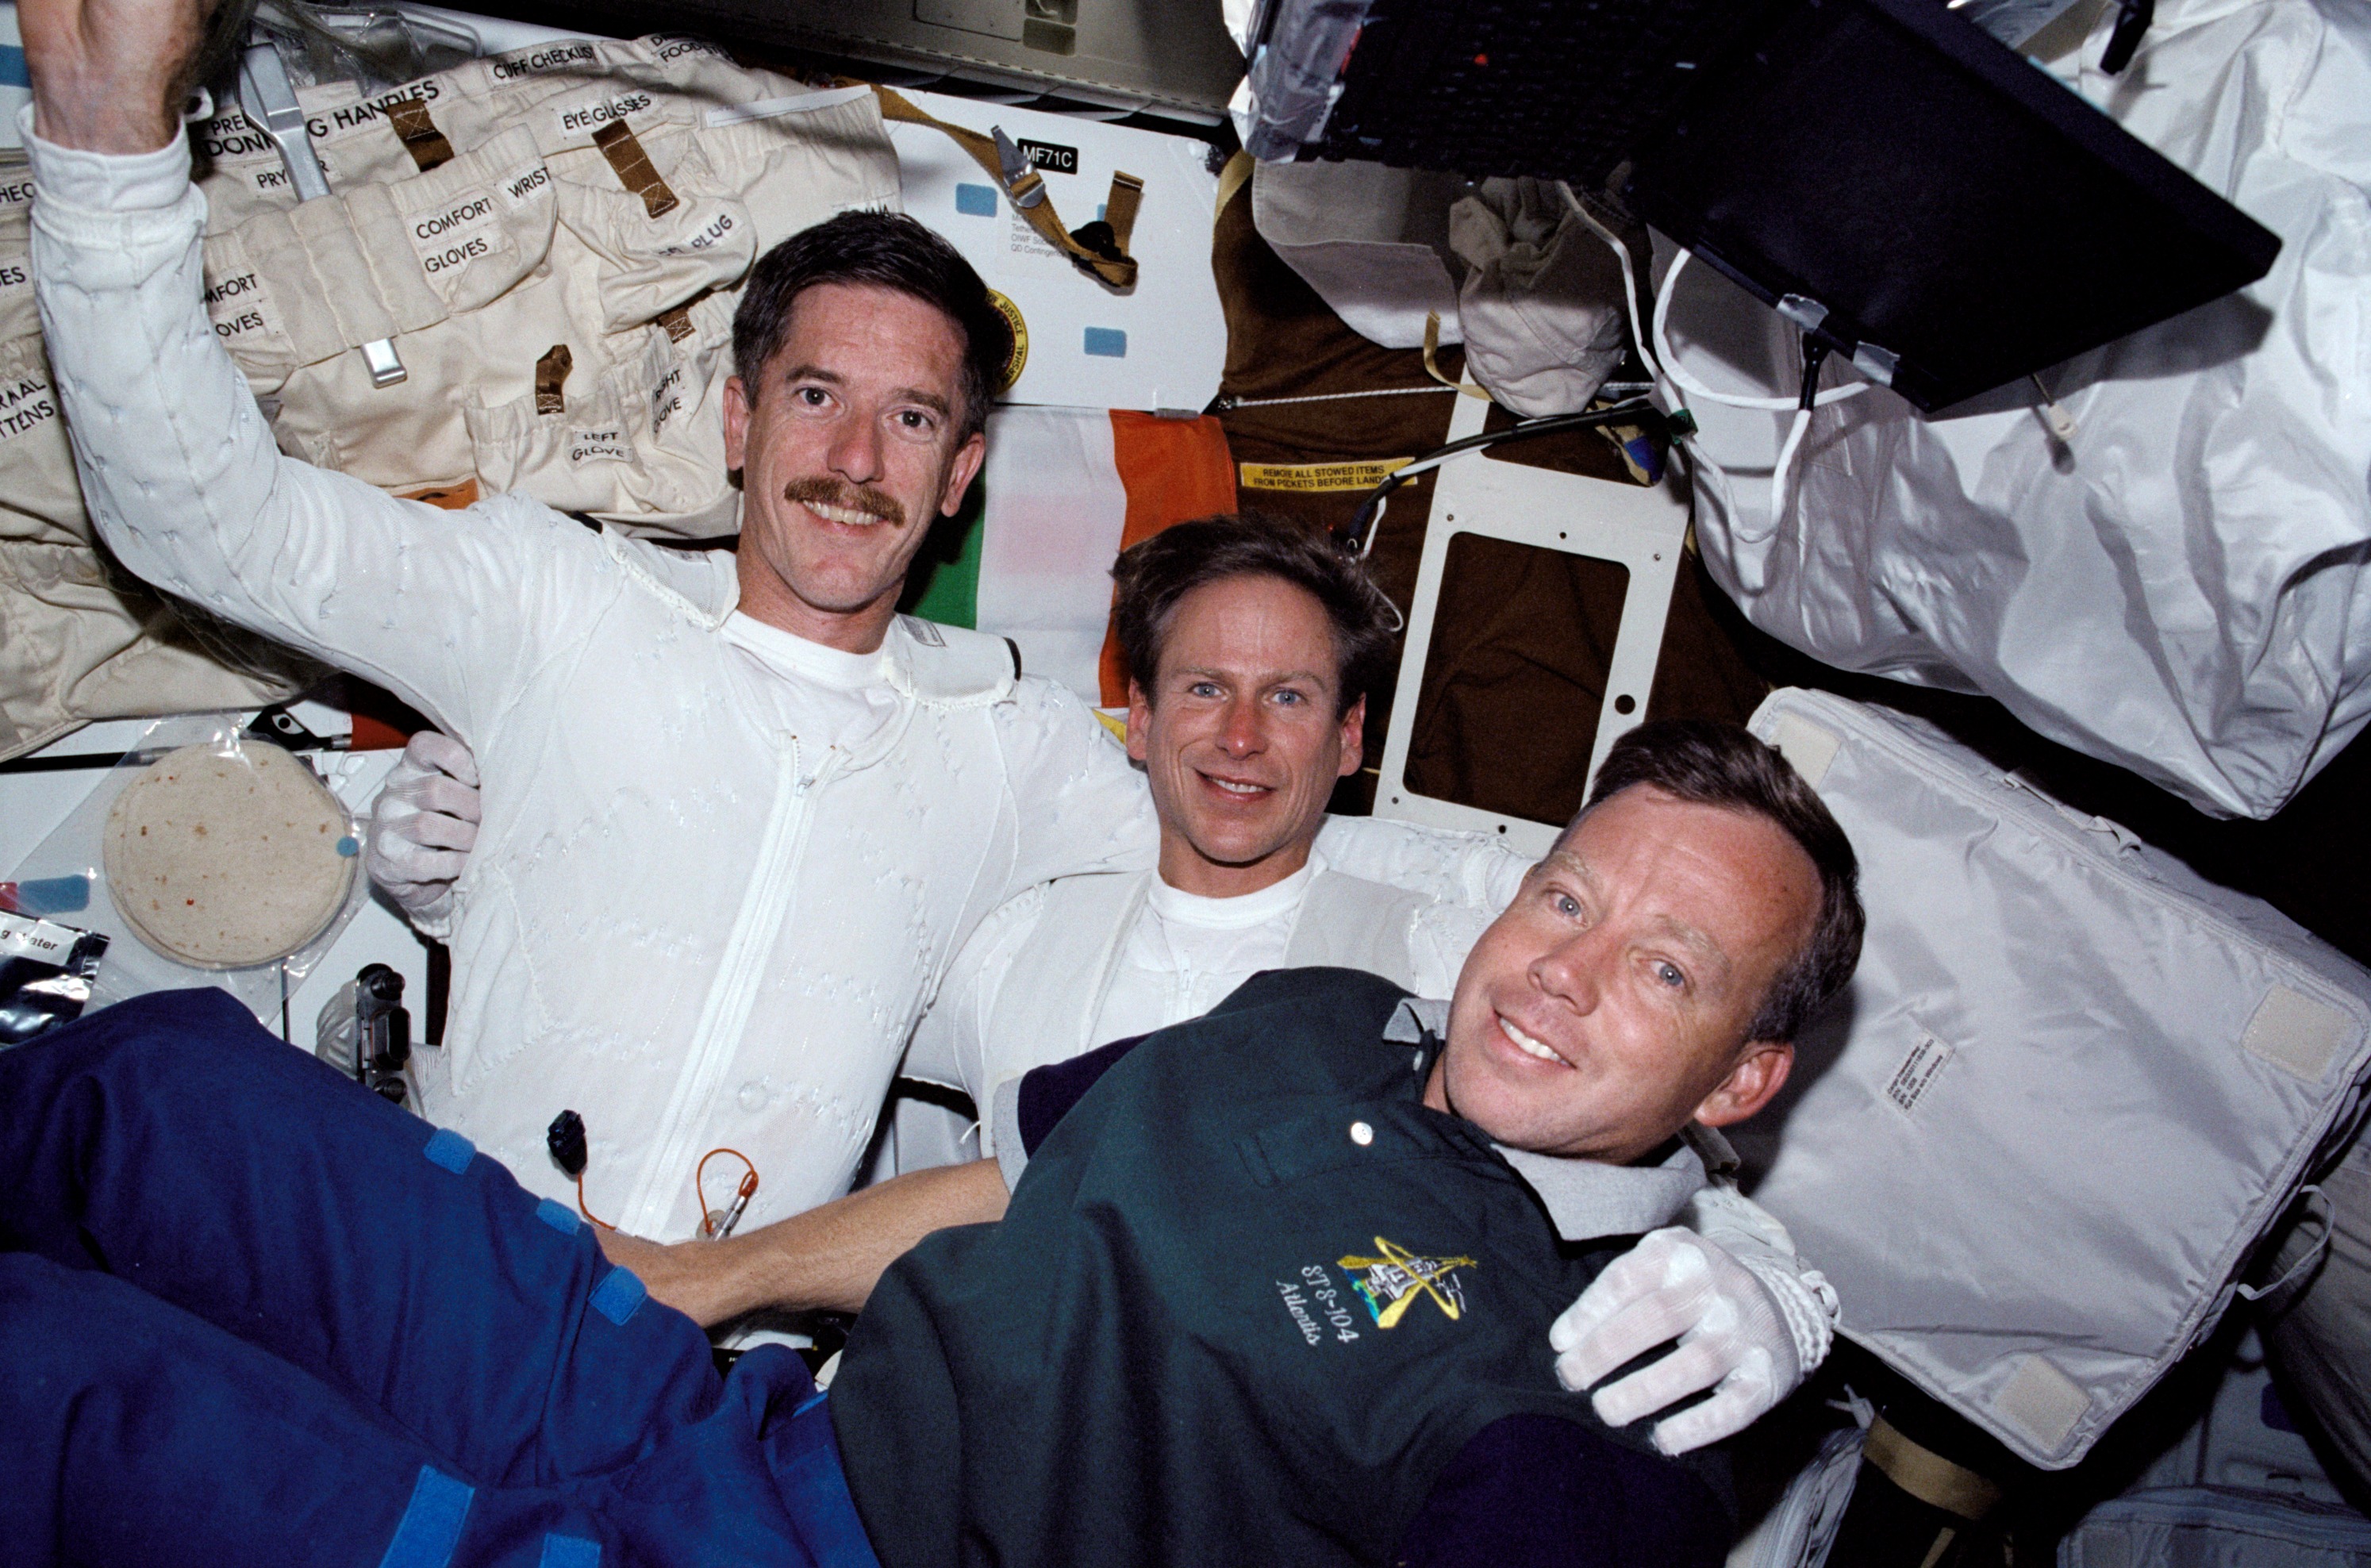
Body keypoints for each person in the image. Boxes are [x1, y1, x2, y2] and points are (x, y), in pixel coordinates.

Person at [14, 0, 1520, 1241]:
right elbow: (204, 520)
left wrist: (1606, 933)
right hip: (443, 1289)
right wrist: (103, 152)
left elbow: (1281, 848)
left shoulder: (1010, 749)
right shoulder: (556, 600)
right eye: (818, 399)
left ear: (962, 476)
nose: (857, 465)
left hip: (713, 1392)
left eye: (913, 419)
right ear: (739, 421)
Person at [0, 719, 1865, 1568]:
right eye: (1564, 896)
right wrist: (698, 1276)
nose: (1564, 973)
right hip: (731, 1412)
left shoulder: (1625, 1360)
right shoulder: (1322, 1018)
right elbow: (1020, 1180)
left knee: (66, 1390)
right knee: (169, 1090)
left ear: (1739, 1079)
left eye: (1669, 968)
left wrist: (1790, 1289)